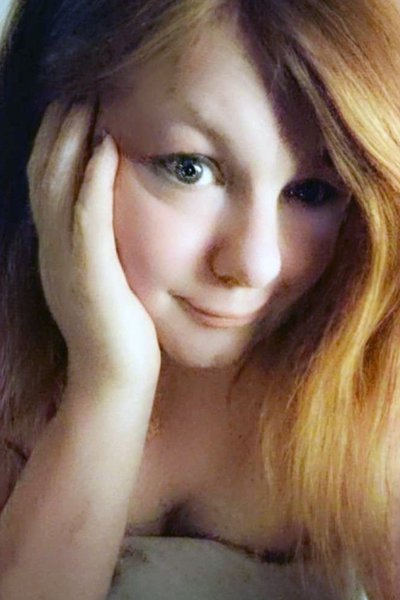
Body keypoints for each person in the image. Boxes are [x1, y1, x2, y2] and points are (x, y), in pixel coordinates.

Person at [0, 0, 399, 598]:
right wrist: (109, 383)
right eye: (190, 168)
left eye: (313, 191)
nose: (255, 264)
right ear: (56, 143)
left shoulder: (378, 377)